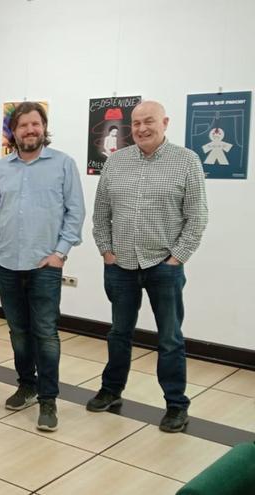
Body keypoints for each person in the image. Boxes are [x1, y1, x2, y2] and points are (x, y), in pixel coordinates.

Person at [88, 100, 208, 433]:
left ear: (165, 122)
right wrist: (106, 252)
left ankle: (176, 406)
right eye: (136, 123)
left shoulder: (187, 161)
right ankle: (111, 390)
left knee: (170, 338)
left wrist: (176, 259)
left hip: (163, 266)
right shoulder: (117, 161)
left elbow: (196, 217)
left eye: (149, 121)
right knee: (118, 333)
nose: (141, 128)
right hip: (121, 264)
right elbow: (101, 214)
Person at [0, 102, 85, 432]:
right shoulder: (1, 168)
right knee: (18, 332)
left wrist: (60, 254)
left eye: (35, 124)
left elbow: (75, 212)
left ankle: (48, 399)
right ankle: (26, 385)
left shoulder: (63, 164)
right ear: (13, 132)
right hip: (8, 263)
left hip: (45, 265)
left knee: (45, 334)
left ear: (44, 127)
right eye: (22, 125)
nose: (29, 130)